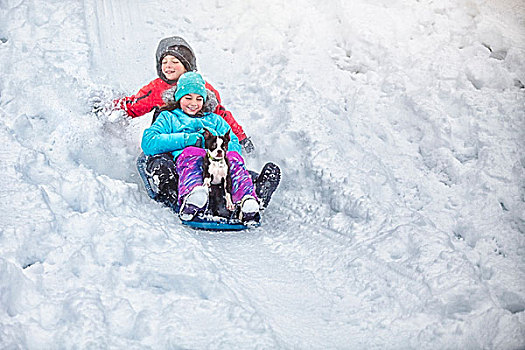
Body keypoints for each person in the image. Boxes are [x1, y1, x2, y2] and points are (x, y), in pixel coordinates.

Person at [141, 72, 260, 223]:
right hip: (188, 161)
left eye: (199, 99)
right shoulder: (169, 117)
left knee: (234, 159)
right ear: (178, 98)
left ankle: (247, 200)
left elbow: (233, 140)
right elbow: (149, 142)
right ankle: (194, 198)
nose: (193, 103)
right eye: (188, 98)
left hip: (218, 165)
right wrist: (186, 140)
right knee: (194, 153)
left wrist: (226, 153)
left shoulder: (215, 120)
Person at [115, 36, 255, 153]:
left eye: (175, 62)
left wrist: (240, 137)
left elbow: (220, 114)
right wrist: (113, 109)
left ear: (187, 64)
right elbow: (135, 104)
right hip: (171, 139)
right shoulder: (157, 88)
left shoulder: (203, 88)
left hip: (199, 138)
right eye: (164, 62)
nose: (168, 66)